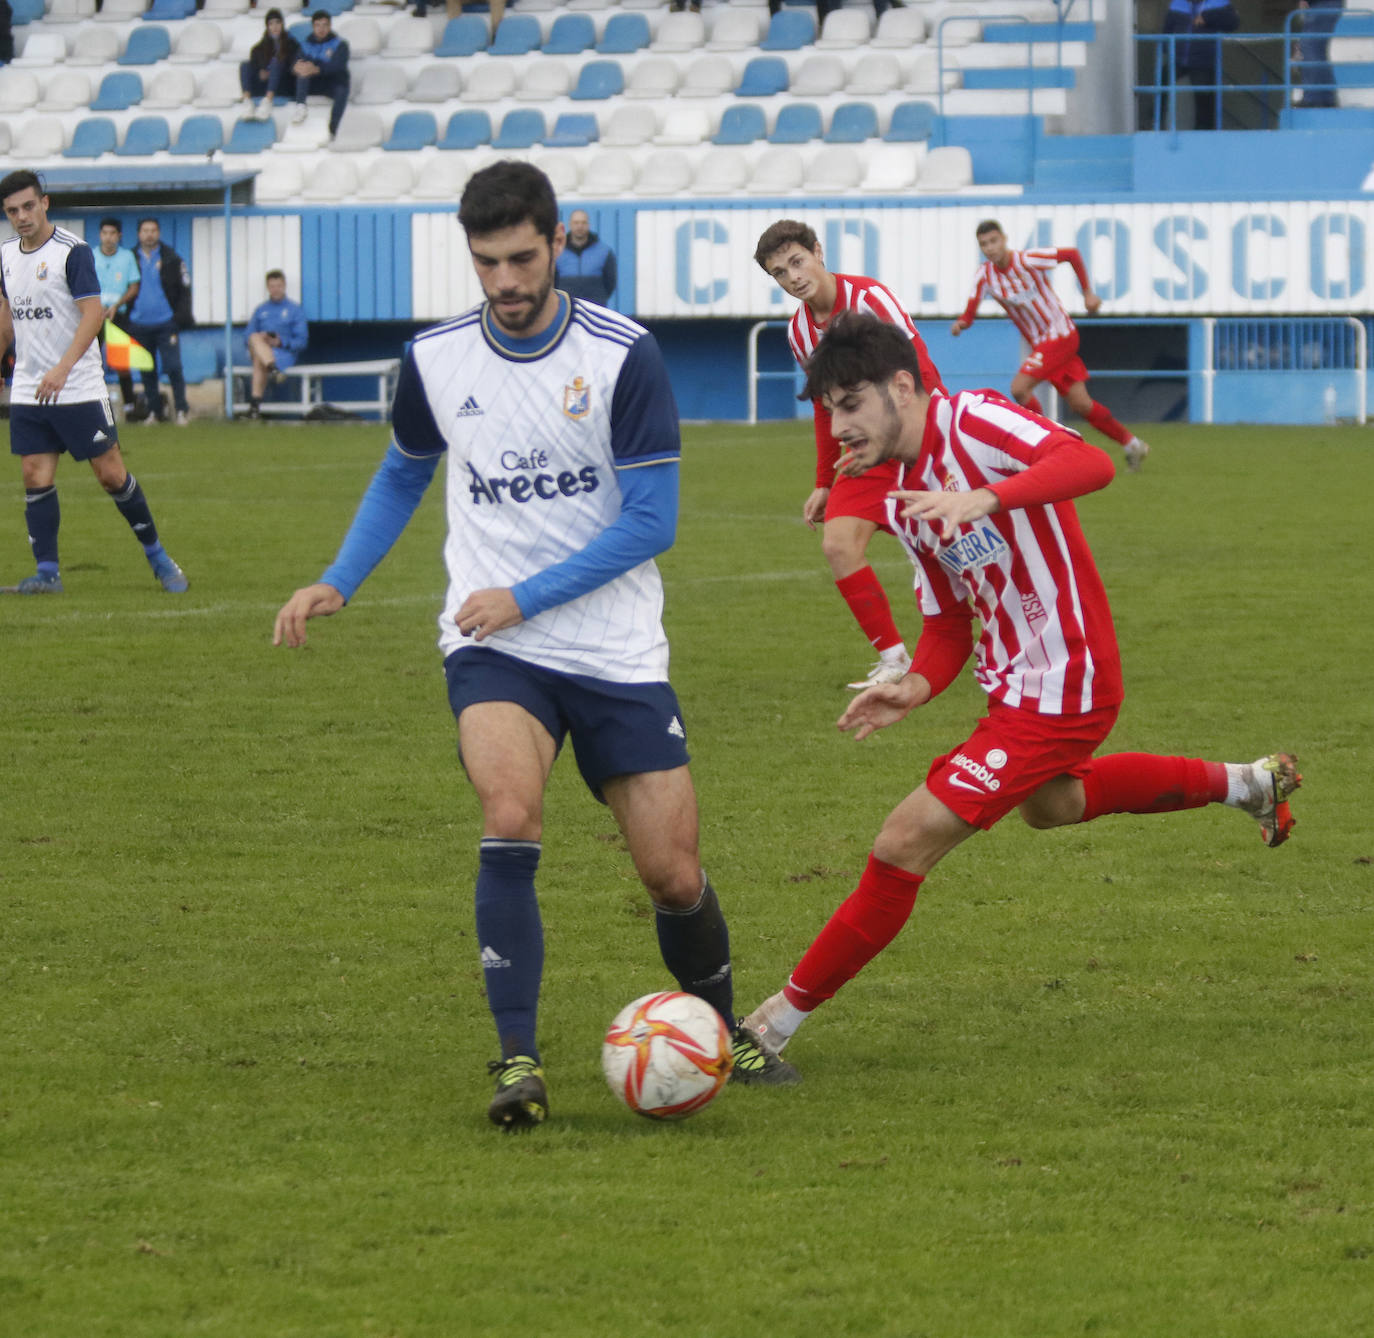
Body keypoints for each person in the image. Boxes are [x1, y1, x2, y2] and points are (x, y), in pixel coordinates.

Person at [272, 160, 797, 1132]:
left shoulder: (623, 354)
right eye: (487, 262)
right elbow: (403, 474)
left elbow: (652, 522)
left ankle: (721, 1030)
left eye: (522, 258)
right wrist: (337, 579)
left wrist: (526, 595)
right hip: (492, 650)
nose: (506, 281)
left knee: (671, 874)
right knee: (510, 812)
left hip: (612, 647)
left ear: (559, 243)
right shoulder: (434, 360)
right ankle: (517, 1058)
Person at [741, 313, 1300, 1071]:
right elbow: (946, 625)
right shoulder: (901, 488)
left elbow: (1089, 464)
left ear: (902, 386)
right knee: (1052, 806)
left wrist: (989, 499)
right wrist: (912, 687)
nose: (836, 427)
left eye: (849, 404)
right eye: (828, 410)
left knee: (902, 844)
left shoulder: (974, 420)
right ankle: (1250, 784)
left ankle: (772, 1024)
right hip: (1012, 681)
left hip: (1067, 676)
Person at [754, 218, 944, 692]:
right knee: (838, 545)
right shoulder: (800, 332)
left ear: (818, 252)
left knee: (954, 553)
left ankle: (993, 638)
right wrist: (823, 480)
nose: (793, 276)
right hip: (864, 455)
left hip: (918, 444)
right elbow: (825, 409)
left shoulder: (870, 299)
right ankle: (894, 658)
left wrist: (937, 445)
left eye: (797, 261)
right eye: (780, 272)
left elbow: (920, 368)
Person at [0, 170, 188, 596]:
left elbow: (91, 316)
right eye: (12, 211)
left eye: (28, 206)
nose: (21, 216)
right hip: (31, 385)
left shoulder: (74, 252)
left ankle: (159, 558)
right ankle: (47, 574)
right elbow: (6, 318)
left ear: (44, 203)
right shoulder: (6, 255)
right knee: (34, 473)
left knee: (111, 475)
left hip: (78, 384)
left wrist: (63, 368)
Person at [951, 219, 1150, 473]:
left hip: (1061, 335)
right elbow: (970, 312)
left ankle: (1044, 446)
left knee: (1019, 388)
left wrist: (1087, 293)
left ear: (1004, 238)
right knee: (1081, 404)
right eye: (984, 244)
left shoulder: (1028, 259)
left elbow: (1072, 255)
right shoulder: (985, 275)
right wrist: (962, 323)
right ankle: (1132, 444)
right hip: (1044, 345)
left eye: (993, 241)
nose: (990, 248)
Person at [125, 217, 192, 426]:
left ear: (159, 233)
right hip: (138, 323)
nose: (149, 234)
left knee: (173, 367)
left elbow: (184, 289)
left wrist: (179, 318)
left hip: (166, 323)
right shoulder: (130, 258)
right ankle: (154, 412)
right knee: (146, 370)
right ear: (138, 234)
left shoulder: (171, 258)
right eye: (145, 230)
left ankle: (181, 410)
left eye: (153, 230)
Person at [91, 217, 142, 422]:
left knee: (122, 362)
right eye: (105, 233)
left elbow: (134, 286)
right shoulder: (91, 256)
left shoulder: (127, 257)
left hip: (119, 314)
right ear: (100, 235)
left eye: (113, 234)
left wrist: (116, 305)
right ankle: (96, 408)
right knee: (93, 362)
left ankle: (129, 406)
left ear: (119, 236)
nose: (108, 238)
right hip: (95, 314)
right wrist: (97, 306)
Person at [1161, 0, 1240, 130]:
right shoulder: (1177, 3)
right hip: (1178, 58)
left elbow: (1233, 23)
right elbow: (1167, 29)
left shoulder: (1219, 3)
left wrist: (1208, 17)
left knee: (1204, 101)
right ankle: (1157, 124)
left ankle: (1204, 134)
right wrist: (1167, 48)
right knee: (1162, 81)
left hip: (1203, 60)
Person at [244, 269, 307, 420]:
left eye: (278, 286)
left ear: (284, 286)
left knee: (260, 360)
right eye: (272, 286)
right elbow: (247, 336)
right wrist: (262, 338)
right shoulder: (261, 310)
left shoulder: (294, 310)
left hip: (282, 353)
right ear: (267, 288)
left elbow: (302, 341)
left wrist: (280, 342)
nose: (275, 290)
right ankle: (272, 369)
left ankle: (254, 407)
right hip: (260, 350)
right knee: (254, 337)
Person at [291, 10, 350, 139]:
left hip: (333, 83)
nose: (321, 29)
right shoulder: (305, 45)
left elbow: (337, 66)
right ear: (313, 27)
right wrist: (296, 67)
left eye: (325, 25)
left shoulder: (340, 44)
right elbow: (295, 64)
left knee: (342, 90)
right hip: (314, 83)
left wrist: (316, 69)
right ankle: (300, 107)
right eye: (318, 25)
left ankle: (332, 130)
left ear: (330, 26)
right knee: (302, 70)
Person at [239, 8, 301, 122]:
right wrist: (261, 72)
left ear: (282, 24)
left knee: (275, 62)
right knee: (245, 65)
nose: (275, 27)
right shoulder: (258, 48)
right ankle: (247, 102)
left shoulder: (292, 44)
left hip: (283, 84)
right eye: (271, 23)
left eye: (278, 22)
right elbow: (255, 65)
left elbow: (294, 66)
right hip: (264, 85)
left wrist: (273, 71)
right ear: (267, 26)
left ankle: (267, 101)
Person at [555, 210, 617, 308]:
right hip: (566, 309)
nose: (580, 226)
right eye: (576, 223)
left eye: (583, 222)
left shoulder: (604, 252)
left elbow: (610, 283)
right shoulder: (558, 252)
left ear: (588, 225)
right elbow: (553, 282)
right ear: (570, 225)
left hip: (595, 309)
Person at [1295, 0, 1345, 108]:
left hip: (1321, 4)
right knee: (1318, 51)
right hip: (1328, 5)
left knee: (1309, 48)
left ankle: (1312, 98)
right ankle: (1327, 98)